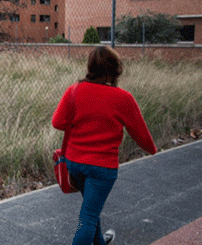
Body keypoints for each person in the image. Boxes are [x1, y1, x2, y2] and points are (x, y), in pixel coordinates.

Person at [52, 46, 157, 245]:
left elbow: (57, 122)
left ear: (90, 66)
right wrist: (152, 149)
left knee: (90, 209)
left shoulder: (74, 91)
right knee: (88, 216)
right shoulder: (123, 98)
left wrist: (81, 121)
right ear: (115, 69)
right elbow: (140, 133)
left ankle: (101, 242)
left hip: (75, 163)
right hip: (102, 167)